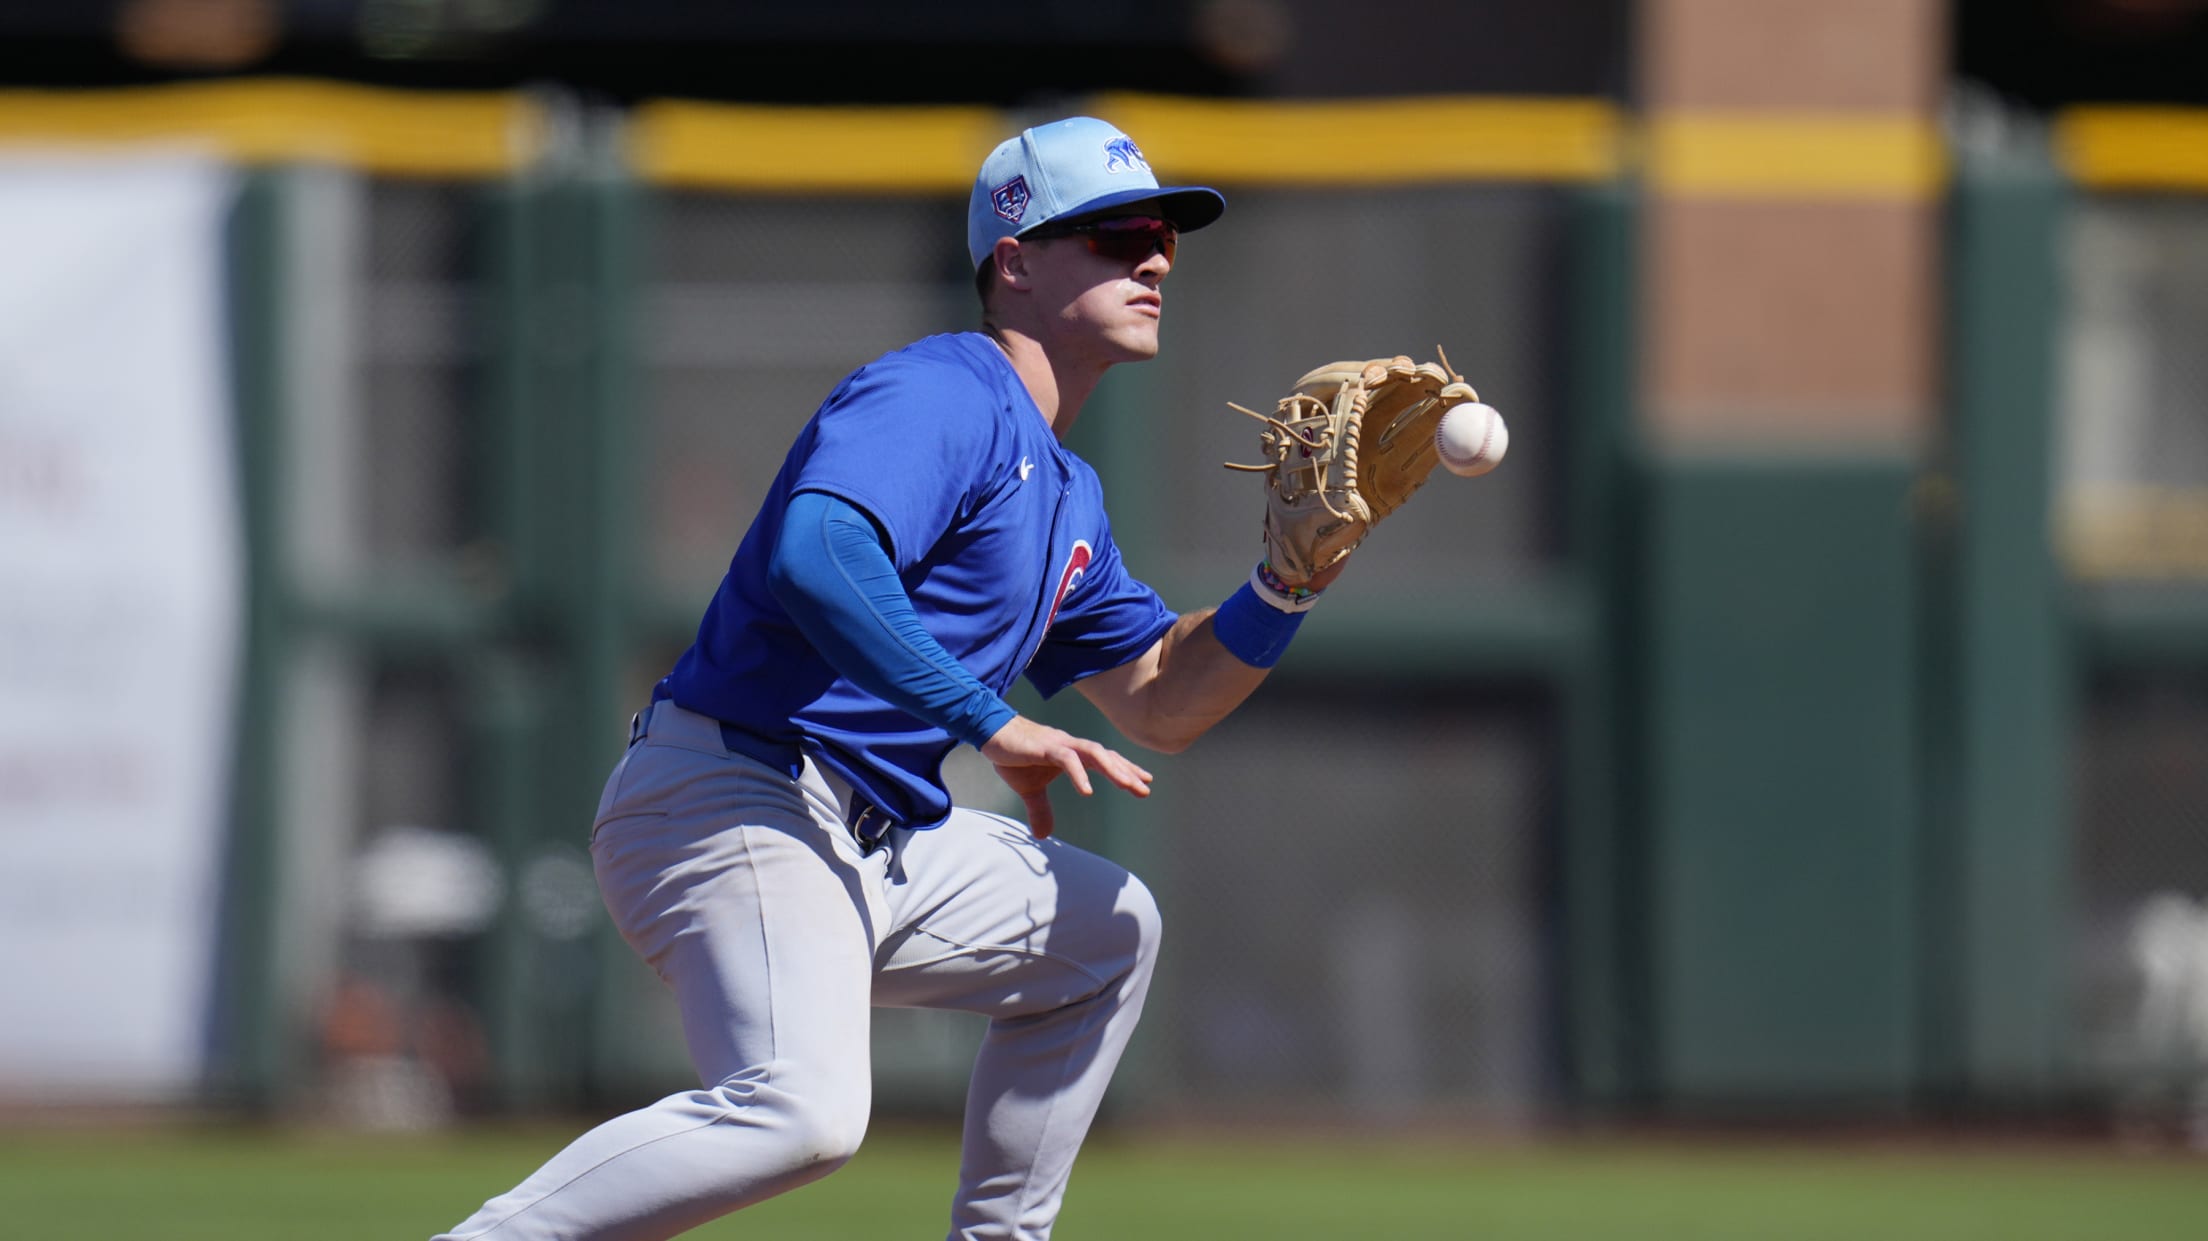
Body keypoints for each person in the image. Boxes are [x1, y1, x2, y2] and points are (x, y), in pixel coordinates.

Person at [433, 114, 1348, 1241]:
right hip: (733, 794)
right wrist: (987, 720)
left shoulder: (1067, 491)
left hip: (868, 837)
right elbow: (817, 554)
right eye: (1115, 235)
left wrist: (1282, 587)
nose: (1154, 257)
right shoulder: (943, 392)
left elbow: (1162, 696)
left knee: (1107, 930)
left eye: (1163, 235)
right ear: (1014, 258)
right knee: (801, 1110)